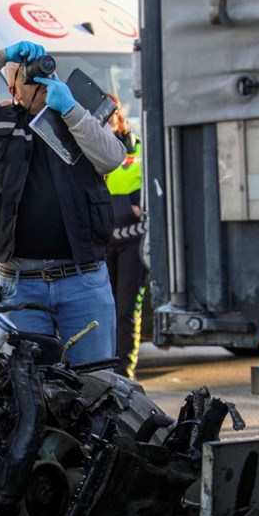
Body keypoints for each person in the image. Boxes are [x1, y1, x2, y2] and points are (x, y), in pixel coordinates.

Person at [0, 42, 126, 365]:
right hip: (19, 284)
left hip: (82, 280)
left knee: (97, 383)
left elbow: (112, 157)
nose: (39, 79)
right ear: (13, 88)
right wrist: (1, 56)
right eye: (28, 75)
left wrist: (69, 109)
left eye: (45, 69)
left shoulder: (77, 119)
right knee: (27, 387)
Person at [104, 94, 146, 378]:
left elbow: (145, 199)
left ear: (119, 117)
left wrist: (128, 204)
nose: (106, 122)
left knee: (125, 309)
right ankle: (103, 369)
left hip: (133, 242)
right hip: (101, 242)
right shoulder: (86, 146)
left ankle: (123, 372)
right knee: (102, 310)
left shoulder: (138, 149)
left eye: (110, 116)